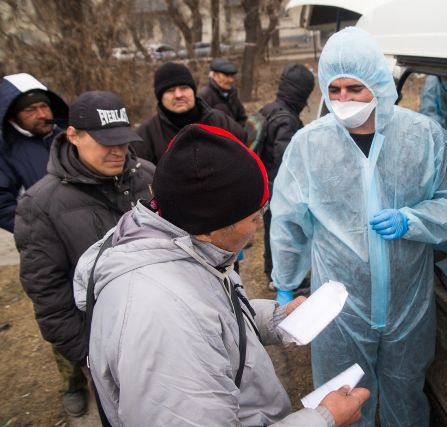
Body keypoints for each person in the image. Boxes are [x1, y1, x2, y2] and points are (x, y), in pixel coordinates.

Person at [73, 123, 369, 426]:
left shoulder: (185, 247)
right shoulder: (163, 323)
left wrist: (278, 319)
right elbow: (191, 324)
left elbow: (212, 316)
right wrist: (324, 419)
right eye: (255, 216)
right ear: (213, 226)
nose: (258, 227)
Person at [270, 27, 447, 426]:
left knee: (406, 390)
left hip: (408, 303)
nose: (344, 100)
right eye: (335, 90)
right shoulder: (309, 145)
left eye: (355, 89)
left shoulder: (422, 137)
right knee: (343, 400)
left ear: (379, 85)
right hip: (341, 309)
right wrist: (285, 282)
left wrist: (412, 220)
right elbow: (287, 221)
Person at [13, 91, 155, 417]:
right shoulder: (39, 205)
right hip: (106, 348)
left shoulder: (148, 175)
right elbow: (50, 297)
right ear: (74, 135)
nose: (119, 151)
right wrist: (90, 358)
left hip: (162, 328)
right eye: (107, 142)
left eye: (123, 140)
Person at [258, 63, 315, 291]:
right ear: (302, 93)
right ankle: (282, 278)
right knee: (283, 233)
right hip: (278, 189)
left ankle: (271, 272)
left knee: (271, 230)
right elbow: (287, 164)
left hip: (265, 187)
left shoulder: (268, 109)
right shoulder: (287, 120)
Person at [134, 61, 246, 164]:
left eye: (184, 88)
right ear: (160, 97)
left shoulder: (219, 121)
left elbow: (245, 151)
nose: (178, 95)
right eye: (170, 90)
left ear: (193, 91)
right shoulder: (146, 134)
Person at [0, 73, 68, 232]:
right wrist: (39, 231)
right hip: (44, 242)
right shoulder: (5, 151)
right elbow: (3, 207)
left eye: (44, 106)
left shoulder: (70, 138)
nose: (42, 115)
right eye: (30, 110)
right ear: (13, 117)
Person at [198, 57, 247, 125]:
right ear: (214, 75)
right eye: (226, 76)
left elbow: (242, 118)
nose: (231, 80)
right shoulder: (204, 96)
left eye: (232, 76)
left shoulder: (232, 94)